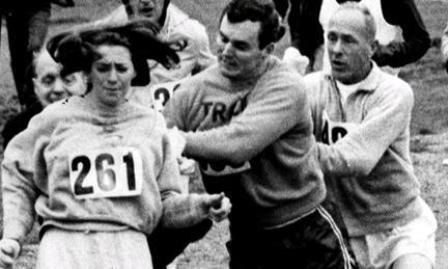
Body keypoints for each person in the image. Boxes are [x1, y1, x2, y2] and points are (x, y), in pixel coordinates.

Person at [0, 21, 230, 269]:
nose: (112, 78)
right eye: (102, 68)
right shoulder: (55, 118)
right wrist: (13, 234)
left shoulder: (151, 125)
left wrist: (199, 206)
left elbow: (165, 202)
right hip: (65, 244)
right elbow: (19, 176)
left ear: (134, 72)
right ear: (87, 72)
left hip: (128, 246)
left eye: (121, 68)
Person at [164, 0, 357, 268]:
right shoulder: (193, 92)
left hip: (306, 229)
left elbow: (240, 142)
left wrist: (180, 141)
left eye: (241, 46)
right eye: (223, 39)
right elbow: (155, 140)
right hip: (249, 234)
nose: (226, 51)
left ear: (266, 50)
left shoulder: (285, 85)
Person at [303, 3, 437, 268]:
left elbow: (357, 158)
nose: (337, 50)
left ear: (373, 47)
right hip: (341, 230)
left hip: (398, 228)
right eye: (332, 38)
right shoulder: (311, 89)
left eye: (349, 41)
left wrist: (293, 151)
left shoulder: (395, 94)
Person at [93, 0, 216, 109]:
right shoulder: (108, 31)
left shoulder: (191, 34)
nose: (146, 1)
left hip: (169, 127)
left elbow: (214, 79)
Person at [284, 0, 430, 73]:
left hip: (378, 93)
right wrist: (295, 52)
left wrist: (386, 53)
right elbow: (306, 35)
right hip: (331, 90)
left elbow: (420, 40)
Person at [2, 48, 86, 148]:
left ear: (84, 82)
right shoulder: (18, 130)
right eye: (48, 81)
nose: (58, 89)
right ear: (36, 87)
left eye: (68, 79)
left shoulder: (104, 123)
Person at [0, 0, 75, 109]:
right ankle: (26, 101)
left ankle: (39, 94)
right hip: (14, 15)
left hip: (38, 10)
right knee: (18, 59)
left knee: (34, 47)